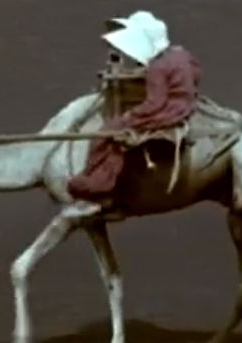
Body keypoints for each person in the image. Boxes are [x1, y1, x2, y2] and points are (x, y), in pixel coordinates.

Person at [67, 12, 202, 202]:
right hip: (185, 104)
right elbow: (195, 73)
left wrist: (132, 115)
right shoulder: (181, 54)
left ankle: (100, 181)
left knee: (110, 130)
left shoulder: (158, 68)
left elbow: (155, 104)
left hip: (169, 111)